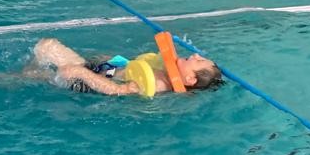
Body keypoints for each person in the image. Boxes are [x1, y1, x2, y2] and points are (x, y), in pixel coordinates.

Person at [33, 36, 222, 95]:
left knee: (45, 50)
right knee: (46, 46)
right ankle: (30, 72)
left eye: (199, 61)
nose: (196, 55)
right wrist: (113, 61)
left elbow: (117, 90)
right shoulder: (167, 70)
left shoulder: (158, 85)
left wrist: (80, 73)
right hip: (103, 69)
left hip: (88, 81)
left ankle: (20, 77)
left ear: (190, 79)